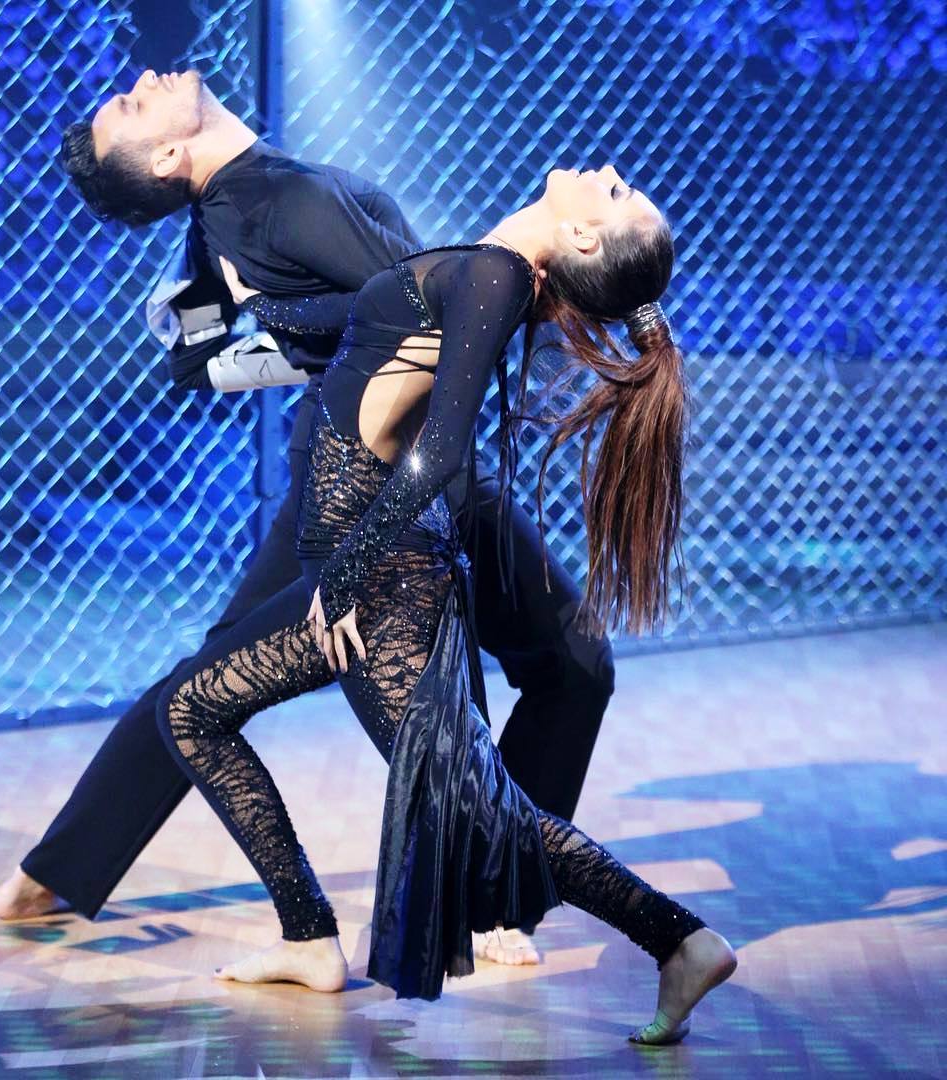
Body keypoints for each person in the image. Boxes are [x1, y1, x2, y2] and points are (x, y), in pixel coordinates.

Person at [0, 67, 615, 968]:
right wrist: (292, 332)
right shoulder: (269, 202)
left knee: (561, 664)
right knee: (555, 665)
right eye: (130, 106)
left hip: (371, 461)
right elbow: (422, 308)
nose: (142, 80)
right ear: (166, 158)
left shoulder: (228, 214)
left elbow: (202, 357)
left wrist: (286, 336)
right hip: (392, 474)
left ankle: (53, 872)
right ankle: (488, 900)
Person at [153, 157, 737, 1042]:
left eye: (617, 194)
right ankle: (307, 936)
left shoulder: (498, 277)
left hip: (380, 582)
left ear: (584, 237)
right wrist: (246, 302)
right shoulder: (489, 266)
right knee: (198, 711)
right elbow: (352, 325)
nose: (610, 172)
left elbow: (439, 451)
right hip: (368, 569)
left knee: (478, 807)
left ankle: (679, 941)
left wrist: (346, 575)